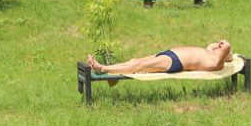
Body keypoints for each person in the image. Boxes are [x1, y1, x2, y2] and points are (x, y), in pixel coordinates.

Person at [87, 41, 233, 78]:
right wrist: (221, 45)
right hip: (169, 54)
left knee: (138, 65)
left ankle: (103, 69)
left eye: (224, 49)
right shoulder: (209, 51)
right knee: (135, 60)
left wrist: (227, 49)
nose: (220, 45)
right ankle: (112, 72)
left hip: (175, 62)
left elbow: (221, 58)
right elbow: (212, 45)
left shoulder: (215, 64)